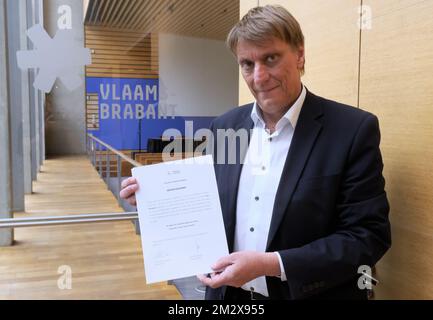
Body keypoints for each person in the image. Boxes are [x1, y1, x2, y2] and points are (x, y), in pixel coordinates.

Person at [120, 5, 391, 300]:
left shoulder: (351, 129)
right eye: (247, 64)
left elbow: (367, 237)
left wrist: (273, 265)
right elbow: (211, 205)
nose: (259, 77)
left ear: (300, 54)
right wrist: (156, 200)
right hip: (228, 299)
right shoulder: (225, 126)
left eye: (270, 58)